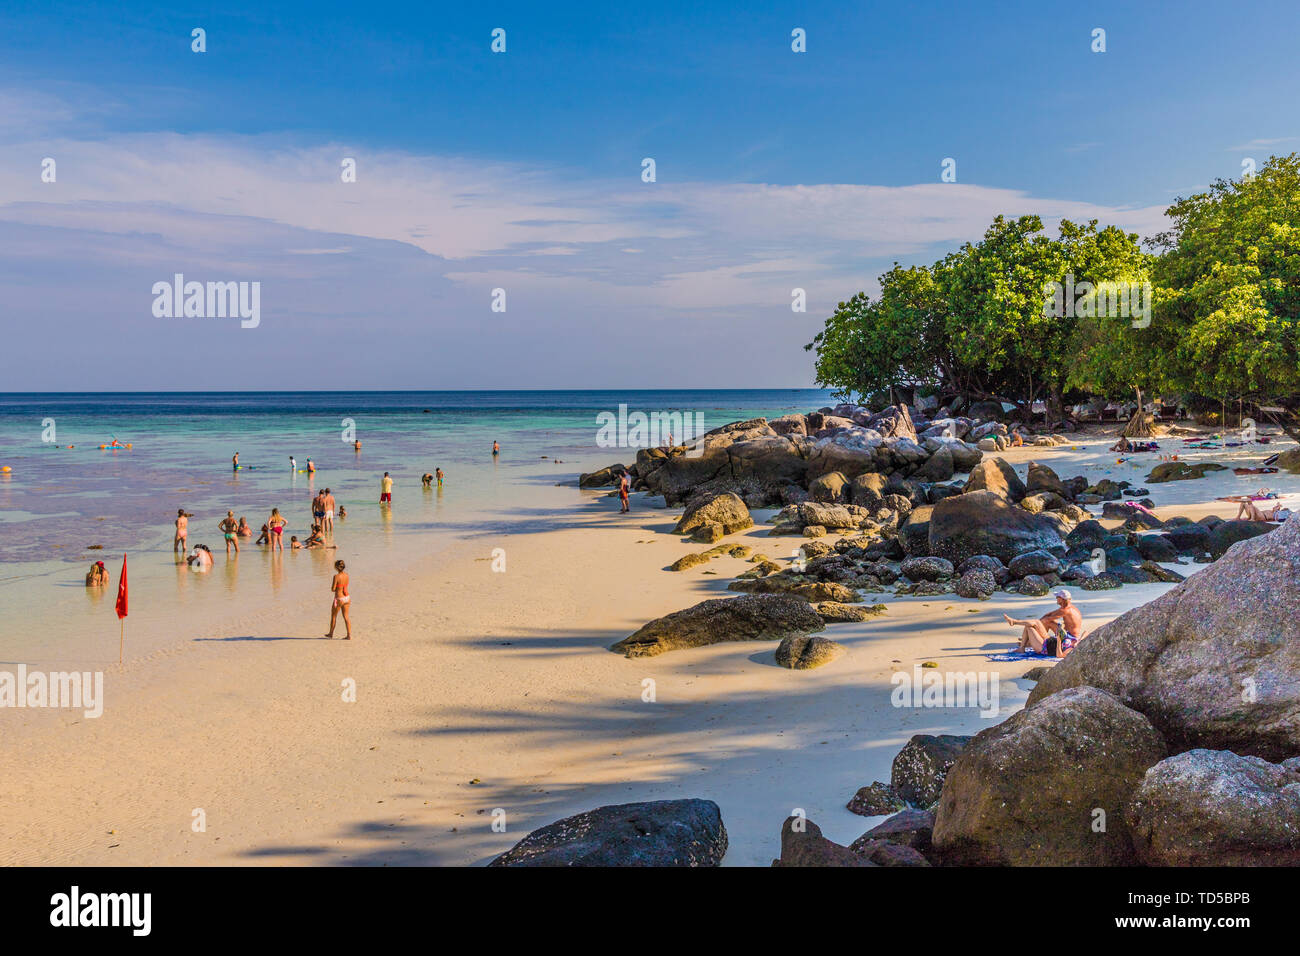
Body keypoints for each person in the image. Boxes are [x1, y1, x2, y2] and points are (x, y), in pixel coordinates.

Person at [1004, 590, 1085, 657]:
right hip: (1054, 639)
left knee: (1031, 625)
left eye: (1057, 597)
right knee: (1035, 623)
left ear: (1062, 599)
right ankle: (1026, 642)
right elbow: (1050, 615)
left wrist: (1059, 640)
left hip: (1051, 644)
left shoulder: (1066, 610)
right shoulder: (1067, 608)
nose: (1056, 599)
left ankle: (1015, 623)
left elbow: (1059, 655)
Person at [326, 559, 352, 639]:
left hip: (339, 598)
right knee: (346, 617)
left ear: (336, 567)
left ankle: (331, 634)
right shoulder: (347, 575)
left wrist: (335, 588)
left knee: (334, 616)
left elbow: (333, 589)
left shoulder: (336, 576)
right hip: (347, 597)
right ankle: (349, 635)